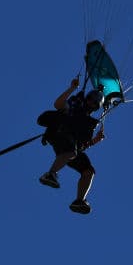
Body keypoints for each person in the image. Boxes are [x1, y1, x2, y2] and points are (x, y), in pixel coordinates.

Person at [38, 77, 106, 214]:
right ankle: (50, 174)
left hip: (70, 146)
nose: (91, 103)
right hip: (59, 134)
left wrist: (95, 141)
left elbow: (81, 146)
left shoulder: (89, 124)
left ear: (97, 107)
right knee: (71, 152)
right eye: (90, 99)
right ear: (86, 98)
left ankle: (79, 201)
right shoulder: (75, 105)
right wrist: (72, 88)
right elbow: (58, 104)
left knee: (88, 171)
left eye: (95, 103)